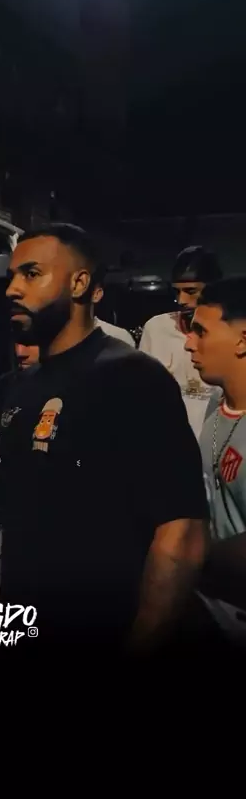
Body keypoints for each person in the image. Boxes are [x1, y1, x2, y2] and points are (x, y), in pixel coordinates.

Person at [0, 224, 209, 658]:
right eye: (11, 277)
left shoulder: (132, 378)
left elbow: (181, 532)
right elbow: (24, 521)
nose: (12, 289)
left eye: (31, 274)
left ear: (80, 283)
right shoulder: (18, 387)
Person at [185, 277, 246, 649]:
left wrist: (183, 558)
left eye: (200, 331)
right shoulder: (215, 404)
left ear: (242, 340)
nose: (188, 342)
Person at [140, 245, 222, 438]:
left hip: (214, 441)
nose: (181, 300)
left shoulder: (228, 332)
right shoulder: (156, 328)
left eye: (191, 291)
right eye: (177, 292)